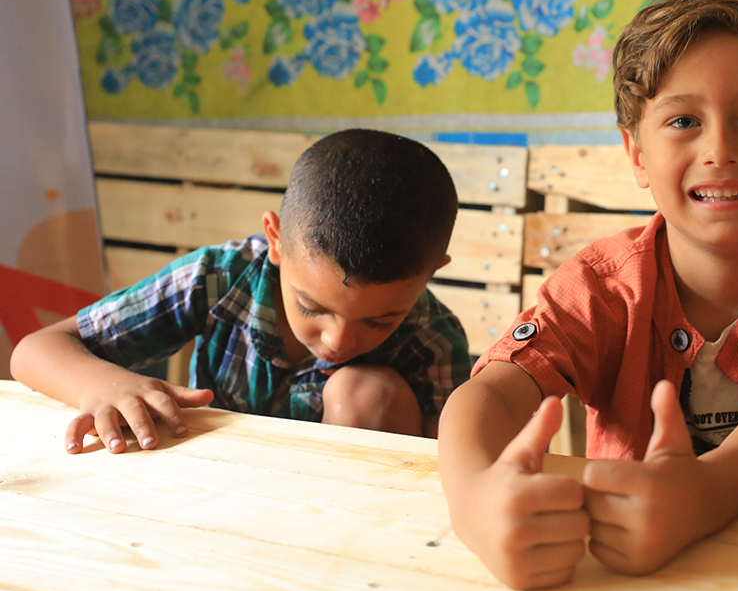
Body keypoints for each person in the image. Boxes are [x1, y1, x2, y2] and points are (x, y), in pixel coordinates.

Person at [439, 0, 738, 590]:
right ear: (638, 153)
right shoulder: (601, 285)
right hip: (625, 583)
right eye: (683, 121)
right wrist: (472, 504)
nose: (719, 149)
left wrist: (704, 495)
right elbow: (487, 394)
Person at [12, 129, 471, 453]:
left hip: (347, 513)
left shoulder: (433, 340)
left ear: (431, 273)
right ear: (275, 240)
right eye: (312, 306)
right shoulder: (218, 277)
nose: (338, 341)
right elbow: (35, 350)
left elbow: (447, 471)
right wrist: (105, 385)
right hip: (214, 490)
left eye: (380, 321)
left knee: (365, 393)